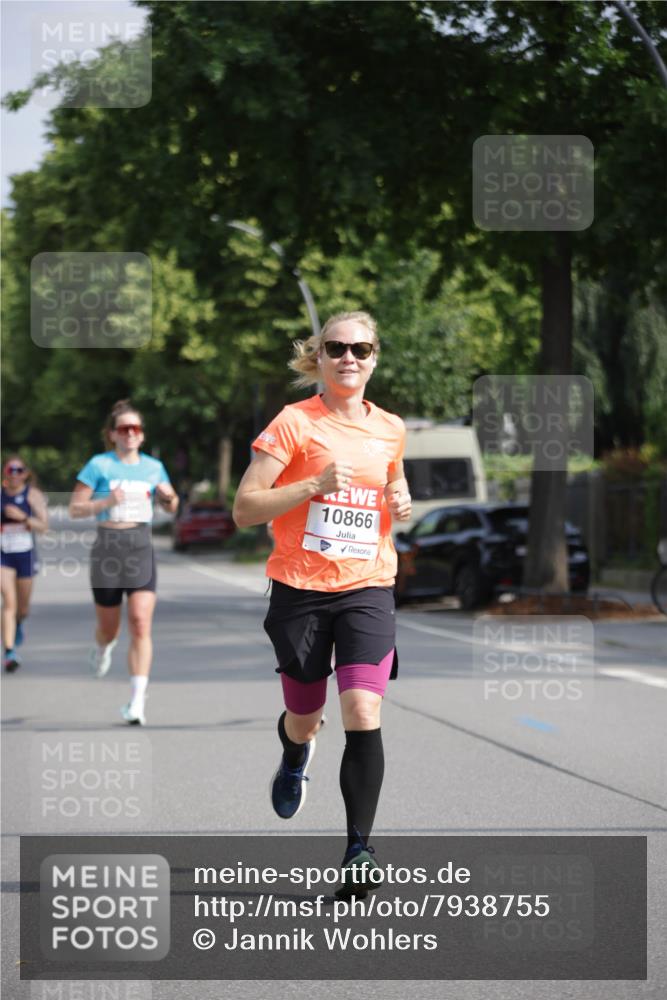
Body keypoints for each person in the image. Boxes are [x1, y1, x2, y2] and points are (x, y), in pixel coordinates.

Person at [233, 310, 411, 898]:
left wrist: (400, 498)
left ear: (375, 356)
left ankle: (360, 849)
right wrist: (311, 485)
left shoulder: (391, 428)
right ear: (320, 356)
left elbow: (390, 486)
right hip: (300, 589)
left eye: (361, 347)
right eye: (336, 347)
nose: (349, 357)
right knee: (306, 715)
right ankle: (293, 755)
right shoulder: (292, 424)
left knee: (362, 710)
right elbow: (245, 509)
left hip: (368, 586)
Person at [68, 400, 178, 724]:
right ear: (112, 434)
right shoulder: (99, 465)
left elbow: (172, 504)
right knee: (109, 627)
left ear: (142, 436)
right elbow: (75, 508)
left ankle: (136, 703)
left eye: (136, 428)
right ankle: (103, 647)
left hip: (139, 546)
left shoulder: (153, 467)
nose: (130, 433)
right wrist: (105, 501)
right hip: (107, 548)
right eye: (124, 428)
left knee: (141, 622)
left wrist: (169, 498)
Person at [1, 456, 48, 672]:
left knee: (23, 607)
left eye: (19, 470)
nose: (14, 473)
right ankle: (9, 651)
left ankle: (18, 623)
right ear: (4, 472)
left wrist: (23, 518)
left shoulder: (33, 495)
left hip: (25, 554)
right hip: (3, 555)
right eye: (10, 469)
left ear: (25, 474)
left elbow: (43, 526)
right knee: (9, 603)